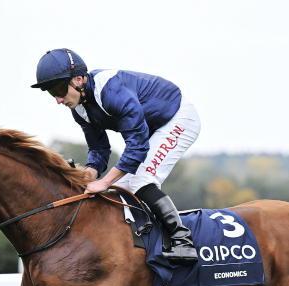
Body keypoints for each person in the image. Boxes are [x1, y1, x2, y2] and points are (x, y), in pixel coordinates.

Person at [31, 48, 200, 264]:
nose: (58, 99)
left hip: (178, 118)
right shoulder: (79, 109)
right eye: (51, 93)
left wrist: (105, 182)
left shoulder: (110, 91)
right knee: (123, 187)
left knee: (141, 179)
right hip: (152, 128)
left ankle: (183, 241)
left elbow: (137, 146)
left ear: (79, 79)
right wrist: (88, 175)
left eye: (59, 89)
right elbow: (99, 149)